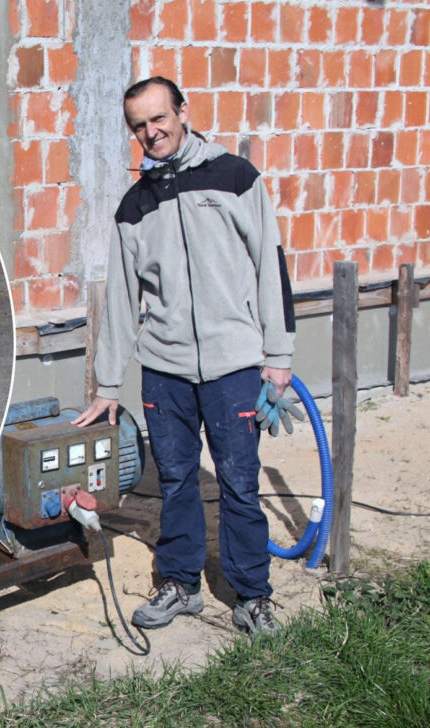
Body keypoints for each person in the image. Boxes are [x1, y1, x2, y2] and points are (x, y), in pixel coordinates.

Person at [72, 76, 296, 635]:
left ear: (182, 112)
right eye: (139, 126)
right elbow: (122, 300)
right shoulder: (134, 205)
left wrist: (279, 354)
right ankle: (180, 584)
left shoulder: (235, 177)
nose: (151, 132)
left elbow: (271, 267)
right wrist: (107, 386)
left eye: (158, 118)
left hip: (235, 365)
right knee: (174, 481)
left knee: (239, 483)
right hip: (165, 369)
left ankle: (252, 595)